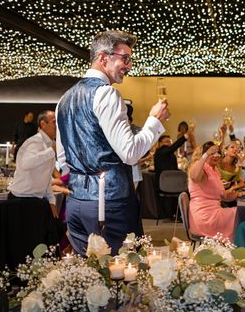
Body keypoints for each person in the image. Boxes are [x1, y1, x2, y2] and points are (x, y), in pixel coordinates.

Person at [56, 30, 169, 255]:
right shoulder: (107, 94)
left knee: (89, 276)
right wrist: (154, 121)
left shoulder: (64, 98)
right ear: (103, 58)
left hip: (76, 204)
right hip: (110, 204)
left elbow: (62, 159)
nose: (129, 65)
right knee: (121, 275)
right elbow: (129, 153)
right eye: (124, 58)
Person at [8, 110, 59, 218]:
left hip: (36, 200)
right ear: (43, 124)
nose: (57, 125)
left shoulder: (50, 144)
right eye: (54, 122)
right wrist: (51, 151)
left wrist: (51, 200)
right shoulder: (35, 141)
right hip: (21, 201)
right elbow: (26, 163)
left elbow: (46, 177)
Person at [188, 142, 238, 241]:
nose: (217, 156)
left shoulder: (214, 170)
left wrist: (240, 193)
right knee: (239, 214)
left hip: (214, 212)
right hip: (205, 217)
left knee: (240, 211)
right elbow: (194, 177)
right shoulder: (202, 167)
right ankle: (239, 247)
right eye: (213, 153)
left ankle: (238, 247)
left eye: (218, 153)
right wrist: (206, 155)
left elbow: (225, 197)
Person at [154, 126, 193, 218]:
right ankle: (180, 214)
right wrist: (185, 136)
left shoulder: (169, 154)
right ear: (160, 144)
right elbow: (172, 148)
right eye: (166, 142)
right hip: (165, 184)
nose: (169, 144)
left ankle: (180, 214)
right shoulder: (160, 152)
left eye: (170, 141)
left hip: (173, 183)